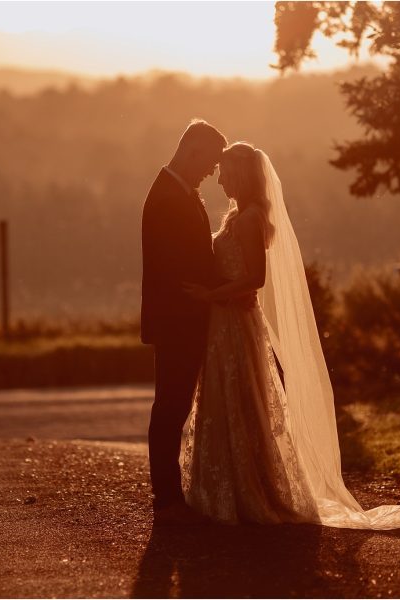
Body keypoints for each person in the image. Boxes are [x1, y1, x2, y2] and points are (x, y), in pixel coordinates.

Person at [180, 142, 400, 529]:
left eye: (225, 171)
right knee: (225, 398)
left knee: (244, 399)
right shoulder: (237, 216)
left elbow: (255, 278)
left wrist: (210, 295)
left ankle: (251, 489)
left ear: (242, 174)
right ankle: (223, 486)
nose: (219, 178)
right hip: (224, 321)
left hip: (236, 320)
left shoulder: (251, 218)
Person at [140, 120, 255, 526]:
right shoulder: (168, 196)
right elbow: (179, 265)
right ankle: (167, 500)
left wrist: (224, 289)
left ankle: (171, 496)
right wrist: (226, 288)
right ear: (191, 151)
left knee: (175, 404)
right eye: (208, 161)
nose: (211, 171)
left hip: (187, 315)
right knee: (171, 406)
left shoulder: (179, 191)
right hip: (177, 318)